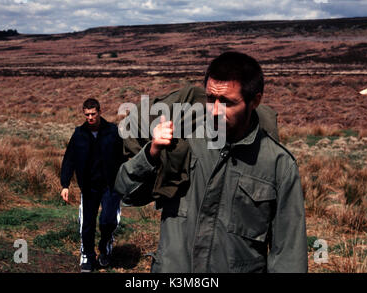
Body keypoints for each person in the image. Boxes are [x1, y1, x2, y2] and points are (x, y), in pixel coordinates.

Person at [115, 52, 308, 273]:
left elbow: (289, 258)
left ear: (255, 101)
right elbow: (126, 193)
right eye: (210, 99)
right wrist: (151, 153)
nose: (214, 111)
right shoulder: (182, 140)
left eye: (227, 102)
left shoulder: (278, 165)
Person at [60, 98, 123, 272]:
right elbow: (69, 159)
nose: (90, 117)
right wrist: (65, 184)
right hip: (89, 187)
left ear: (99, 112)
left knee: (108, 220)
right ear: (83, 113)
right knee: (87, 223)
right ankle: (87, 255)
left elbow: (124, 157)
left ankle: (105, 249)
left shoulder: (113, 131)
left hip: (111, 186)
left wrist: (127, 181)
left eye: (93, 114)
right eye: (87, 114)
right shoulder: (79, 134)